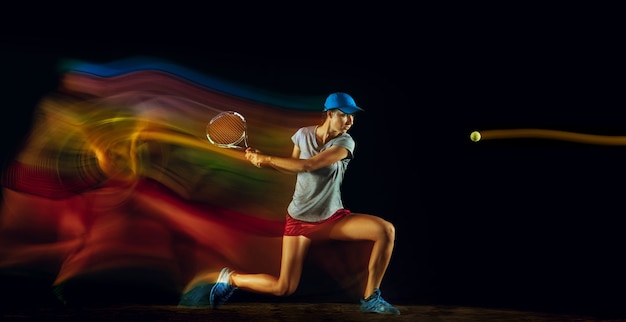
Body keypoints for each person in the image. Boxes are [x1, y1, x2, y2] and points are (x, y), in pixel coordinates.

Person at [203, 92, 400, 314]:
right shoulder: (302, 135)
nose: (350, 121)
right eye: (344, 115)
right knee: (284, 287)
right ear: (330, 114)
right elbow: (293, 166)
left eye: (353, 116)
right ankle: (231, 279)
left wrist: (268, 159)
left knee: (385, 230)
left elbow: (309, 165)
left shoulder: (345, 142)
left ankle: (370, 299)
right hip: (300, 220)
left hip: (333, 218)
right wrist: (263, 160)